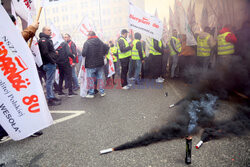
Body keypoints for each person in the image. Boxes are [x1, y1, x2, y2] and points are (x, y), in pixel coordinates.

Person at [82, 31, 109, 98]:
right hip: (99, 63)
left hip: (90, 64)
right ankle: (102, 92)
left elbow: (83, 53)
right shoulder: (100, 41)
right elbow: (107, 47)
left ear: (89, 36)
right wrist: (103, 54)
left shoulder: (87, 42)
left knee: (90, 78)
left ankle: (91, 93)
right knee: (100, 78)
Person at [38, 26, 61, 106]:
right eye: (48, 30)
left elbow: (49, 52)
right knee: (49, 82)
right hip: (48, 63)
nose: (50, 31)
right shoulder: (43, 40)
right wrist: (52, 61)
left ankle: (52, 96)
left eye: (50, 30)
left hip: (49, 63)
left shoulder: (46, 39)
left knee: (50, 82)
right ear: (44, 31)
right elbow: (45, 53)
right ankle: (50, 98)